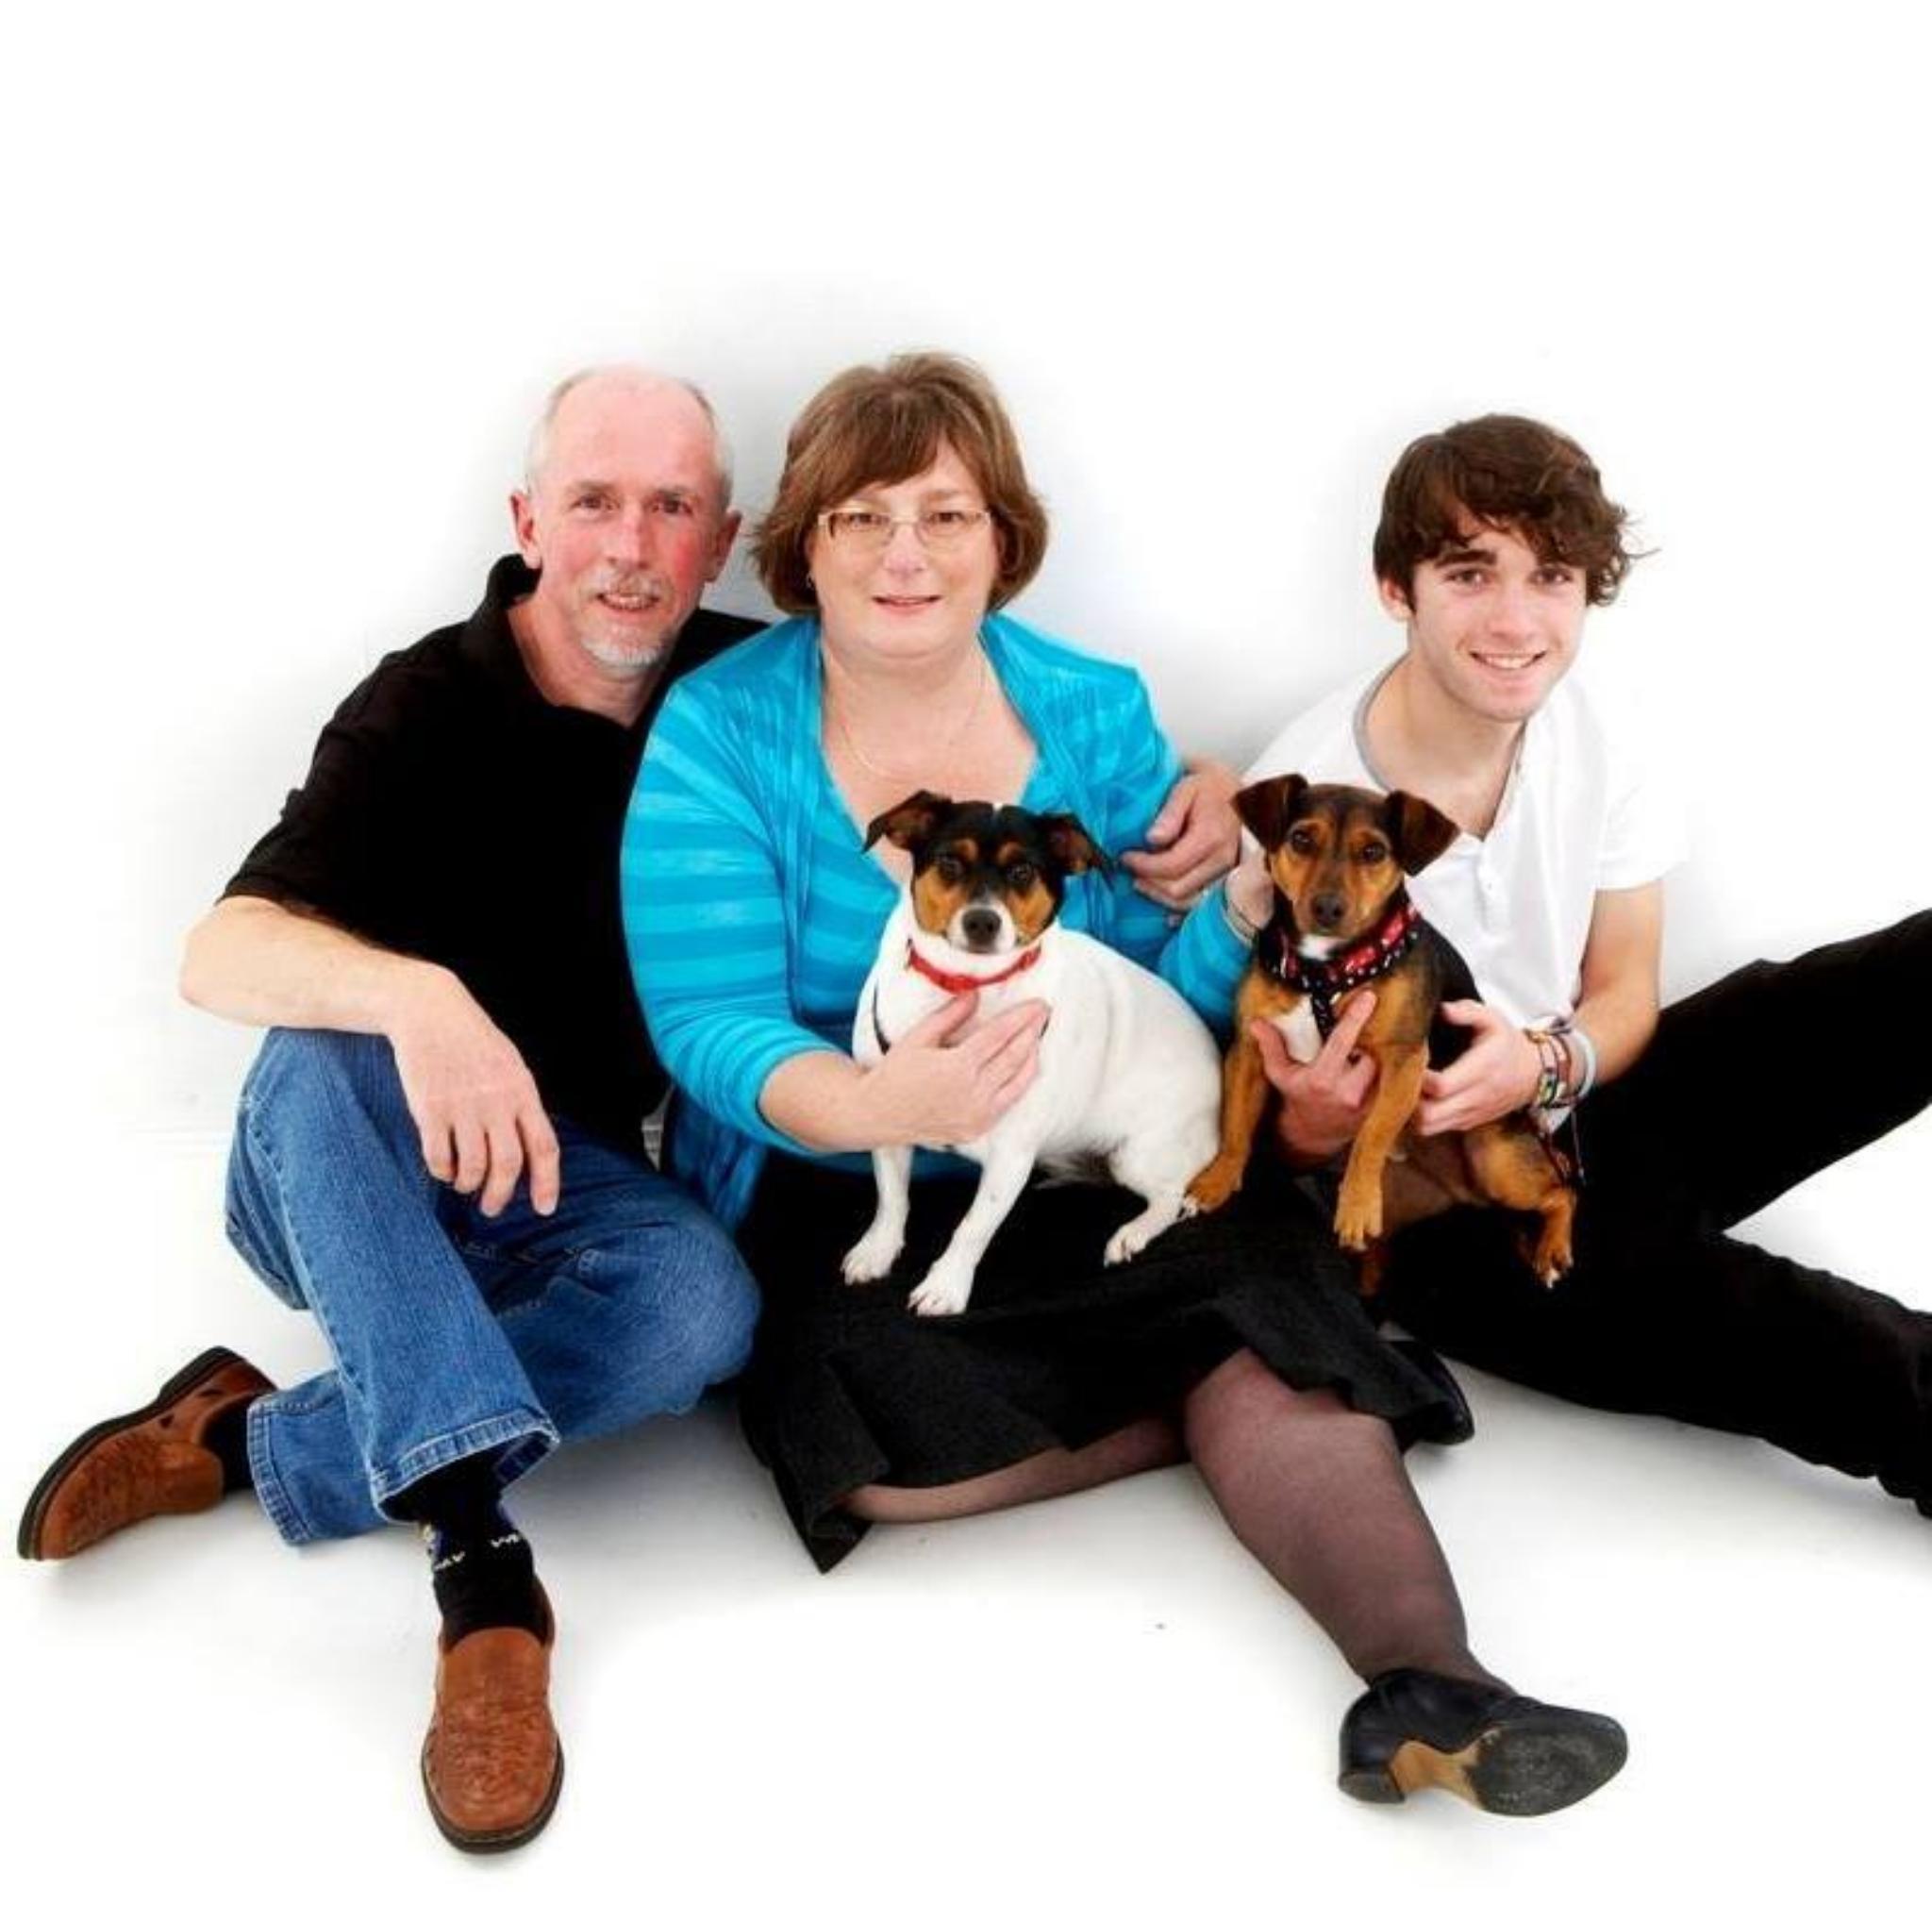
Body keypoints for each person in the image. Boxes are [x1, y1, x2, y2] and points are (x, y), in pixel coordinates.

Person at [624, 353, 1629, 1816]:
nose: (907, 554)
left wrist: (1235, 901)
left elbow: (1170, 990)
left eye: (947, 516)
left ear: (1002, 541)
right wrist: (871, 1103)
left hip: (1093, 1151)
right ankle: (1207, 1384)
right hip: (844, 1172)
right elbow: (703, 1017)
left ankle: (1436, 1690)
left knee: (1256, 1269)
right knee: (862, 1438)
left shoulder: (1090, 708)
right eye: (862, 518)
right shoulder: (721, 730)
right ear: (805, 548)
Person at [17, 367, 768, 1853]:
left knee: (705, 1308)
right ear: (528, 521)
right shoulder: (427, 701)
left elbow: (959, 704)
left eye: (671, 507)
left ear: (722, 538)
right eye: (594, 502)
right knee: (324, 1051)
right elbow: (218, 951)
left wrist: (1183, 795)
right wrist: (423, 1003)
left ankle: (244, 1441)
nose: (631, 546)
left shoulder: (749, 696)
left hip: (556, 1188)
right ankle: (482, 1571)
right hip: (343, 1172)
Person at [1244, 413, 1932, 1517]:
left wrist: (1542, 1063)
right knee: (1778, 1327)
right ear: (1394, 587)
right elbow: (1277, 1131)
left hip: (1581, 1103)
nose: (1514, 620)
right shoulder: (1303, 808)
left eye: (1549, 576)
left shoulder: (1599, 730)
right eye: (1469, 573)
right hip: (1447, 1217)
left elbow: (1621, 992)